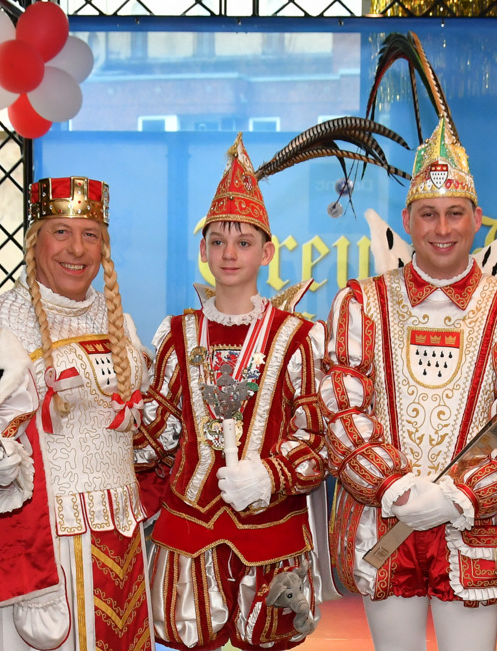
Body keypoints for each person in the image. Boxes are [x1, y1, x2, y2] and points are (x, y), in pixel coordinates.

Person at [319, 118, 497, 651]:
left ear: (477, 219)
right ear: (407, 220)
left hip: (474, 525)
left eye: (455, 213)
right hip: (387, 519)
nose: (442, 228)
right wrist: (395, 487)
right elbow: (342, 409)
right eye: (428, 214)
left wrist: (458, 496)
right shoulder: (361, 303)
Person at [0, 177, 154, 650]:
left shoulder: (119, 322)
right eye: (61, 232)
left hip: (120, 535)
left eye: (90, 234)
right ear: (35, 241)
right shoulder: (0, 323)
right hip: (44, 548)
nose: (77, 249)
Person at [136, 133, 328, 651]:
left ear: (267, 253)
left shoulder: (298, 336)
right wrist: (116, 413)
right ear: (202, 249)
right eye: (217, 241)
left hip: (271, 531)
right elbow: (157, 437)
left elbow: (316, 440)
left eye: (243, 242)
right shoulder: (177, 333)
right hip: (188, 531)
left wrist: (271, 474)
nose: (228, 253)